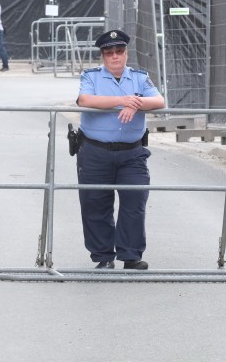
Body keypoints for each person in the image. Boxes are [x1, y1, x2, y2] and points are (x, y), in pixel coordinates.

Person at [75, 29, 164, 270]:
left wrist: (136, 103)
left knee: (135, 199)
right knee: (95, 203)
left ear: (126, 53)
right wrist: (123, 101)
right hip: (95, 151)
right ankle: (103, 256)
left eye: (120, 51)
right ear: (103, 56)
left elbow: (159, 101)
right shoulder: (91, 77)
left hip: (131, 153)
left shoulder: (139, 78)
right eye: (109, 52)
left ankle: (131, 255)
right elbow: (85, 100)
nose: (115, 56)